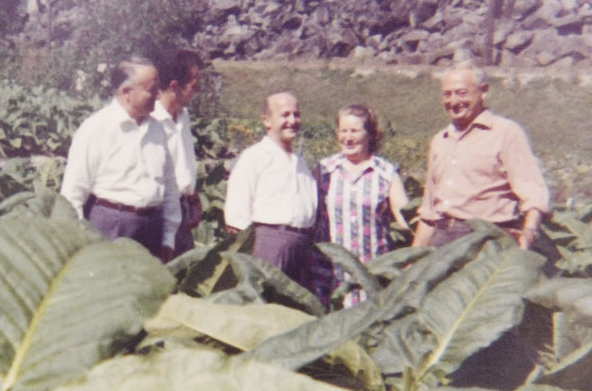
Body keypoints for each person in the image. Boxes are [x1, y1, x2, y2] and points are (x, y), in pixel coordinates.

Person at [411, 62, 550, 250]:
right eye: (447, 94)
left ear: (483, 91)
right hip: (442, 238)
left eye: (461, 93)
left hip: (486, 240)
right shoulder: (440, 141)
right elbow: (429, 213)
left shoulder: (505, 132)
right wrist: (413, 258)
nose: (453, 101)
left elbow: (533, 191)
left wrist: (529, 231)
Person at [60, 56, 180, 260]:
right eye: (152, 89)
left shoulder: (158, 129)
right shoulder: (96, 128)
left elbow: (169, 185)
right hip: (110, 226)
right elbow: (73, 193)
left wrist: (168, 236)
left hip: (151, 228)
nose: (158, 96)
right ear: (127, 92)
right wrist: (80, 241)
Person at [313, 104, 410, 305]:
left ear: (370, 134)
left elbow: (405, 220)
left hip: (373, 273)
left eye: (355, 131)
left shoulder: (386, 173)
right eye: (343, 131)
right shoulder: (324, 170)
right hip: (332, 276)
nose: (348, 138)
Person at [223, 90, 318, 285]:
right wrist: (249, 251)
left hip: (301, 247)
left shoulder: (301, 163)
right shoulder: (255, 156)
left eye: (296, 114)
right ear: (267, 121)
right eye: (285, 115)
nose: (292, 120)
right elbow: (236, 213)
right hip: (267, 244)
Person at [152, 49, 202, 255]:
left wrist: (193, 195)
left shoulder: (184, 115)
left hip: (183, 209)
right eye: (194, 86)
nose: (197, 92)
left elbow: (183, 160)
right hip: (160, 212)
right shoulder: (151, 120)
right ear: (174, 86)